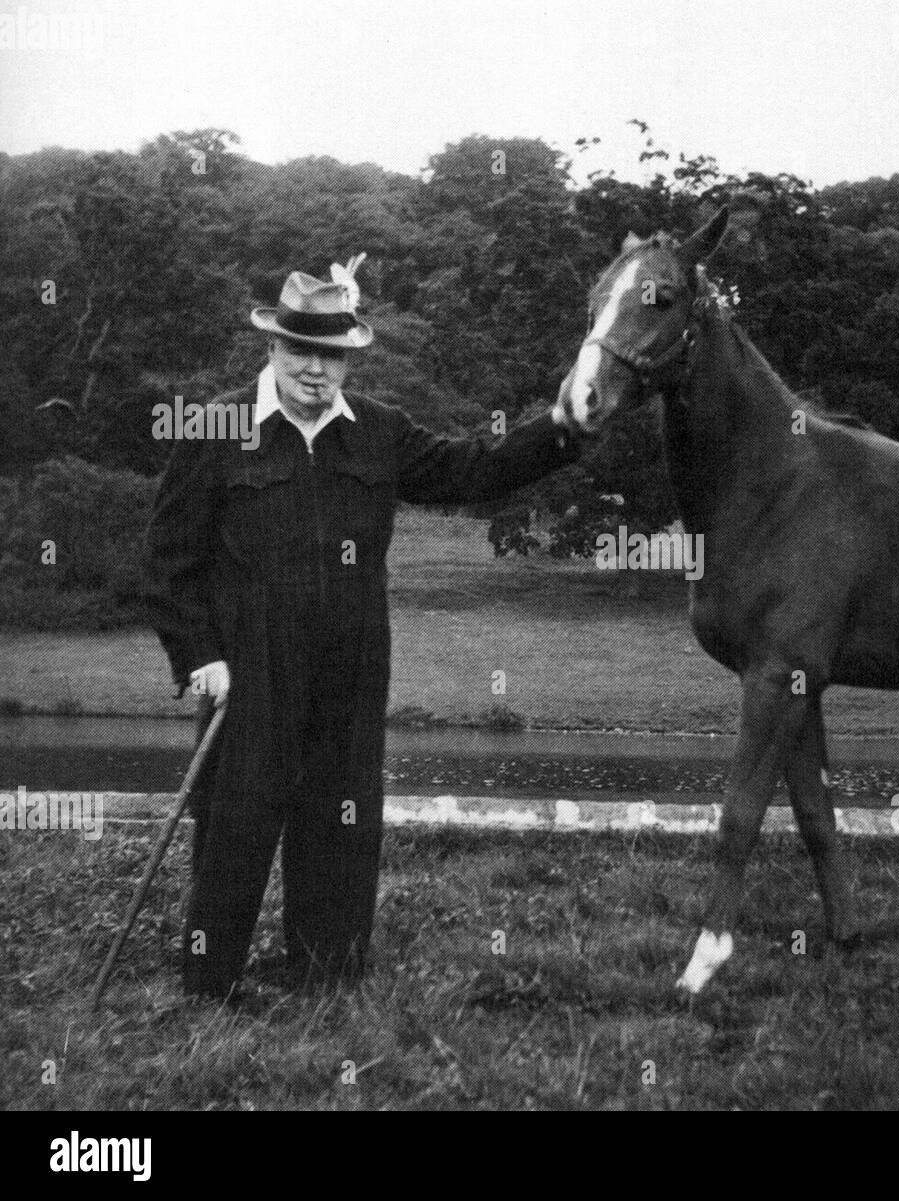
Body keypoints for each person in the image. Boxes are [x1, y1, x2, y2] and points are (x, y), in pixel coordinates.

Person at [143, 256, 587, 1001]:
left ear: (349, 358)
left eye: (332, 356)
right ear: (273, 349)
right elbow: (168, 558)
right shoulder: (215, 427)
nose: (316, 370)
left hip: (352, 661)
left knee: (341, 816)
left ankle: (325, 975)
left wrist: (563, 429)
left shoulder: (379, 431)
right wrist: (199, 656)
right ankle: (208, 980)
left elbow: (471, 470)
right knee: (235, 820)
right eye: (301, 352)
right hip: (249, 666)